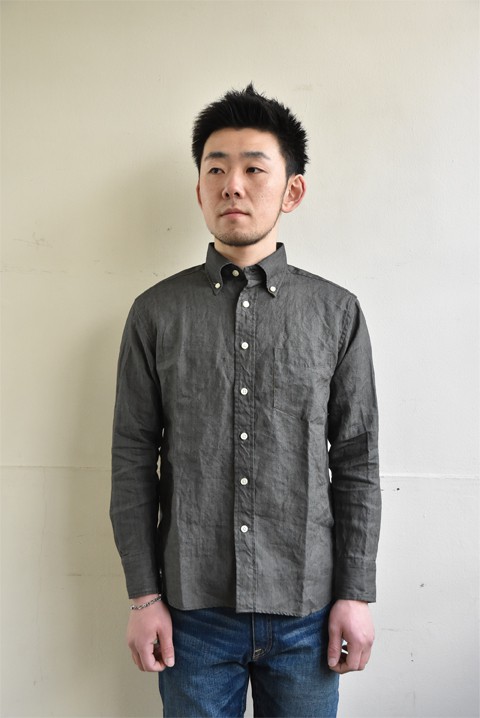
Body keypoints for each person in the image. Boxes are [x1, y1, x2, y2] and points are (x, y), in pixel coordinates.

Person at [110, 84, 381, 718]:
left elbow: (358, 461)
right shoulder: (155, 313)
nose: (233, 185)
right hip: (191, 615)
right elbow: (132, 461)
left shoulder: (337, 314)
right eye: (216, 169)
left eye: (254, 168)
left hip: (308, 612)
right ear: (199, 189)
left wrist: (356, 593)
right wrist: (144, 598)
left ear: (292, 190)